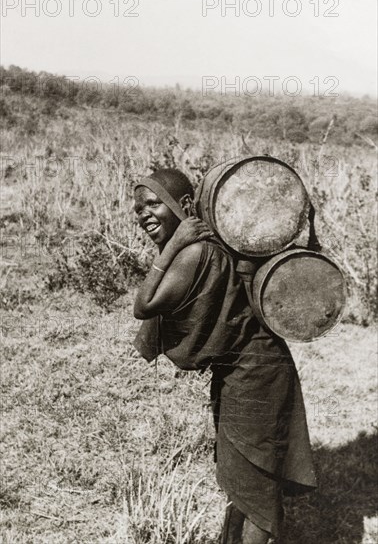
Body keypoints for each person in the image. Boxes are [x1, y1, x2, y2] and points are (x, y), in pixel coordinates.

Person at [133, 168, 317, 544]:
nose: (143, 214)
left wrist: (172, 246)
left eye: (153, 203)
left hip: (257, 374)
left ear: (184, 206)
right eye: (138, 208)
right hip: (247, 370)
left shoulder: (196, 252)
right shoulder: (208, 244)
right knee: (244, 478)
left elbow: (144, 304)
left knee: (256, 485)